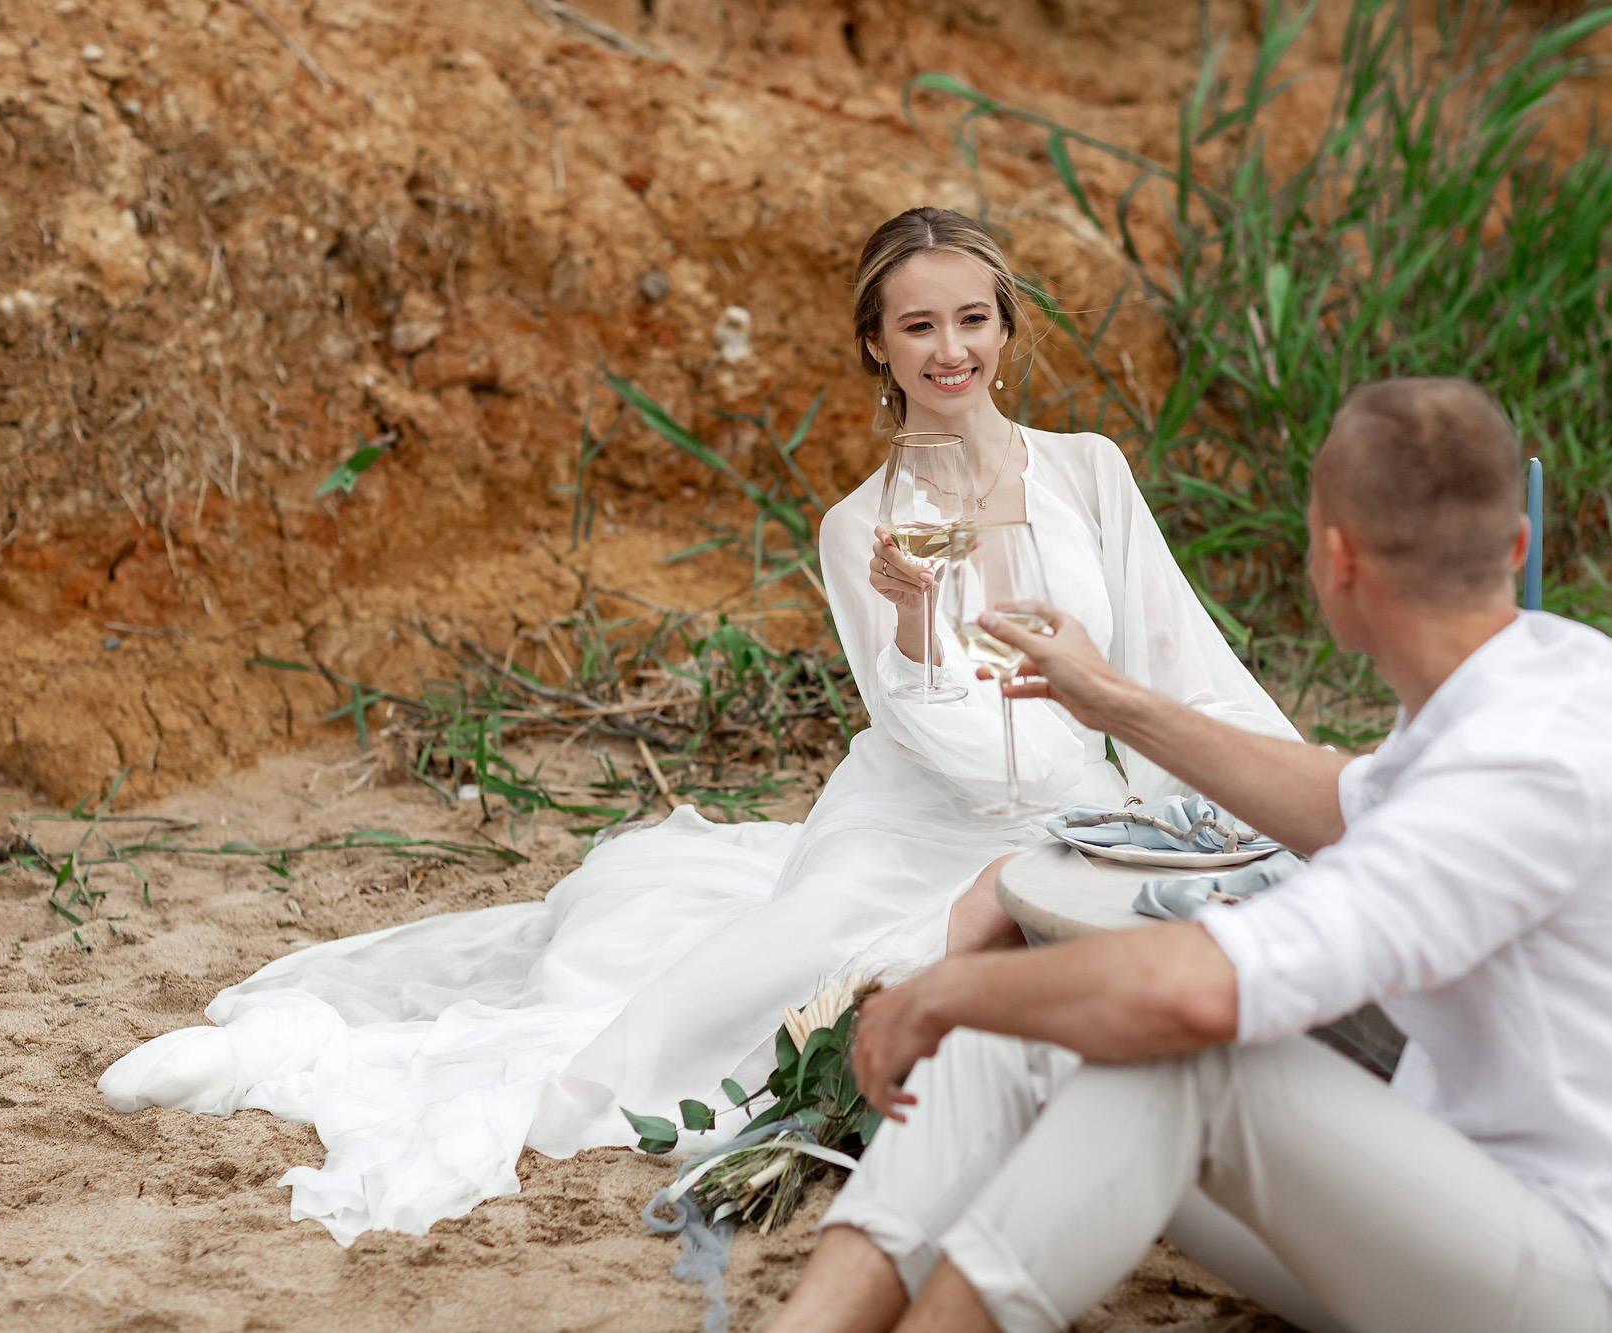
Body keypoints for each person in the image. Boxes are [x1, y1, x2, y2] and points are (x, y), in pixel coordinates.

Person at [94, 207, 1300, 1246]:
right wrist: (918, 623)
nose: (951, 350)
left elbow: (1175, 657)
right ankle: (301, 1059)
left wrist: (1269, 794)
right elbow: (929, 730)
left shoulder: (1085, 471)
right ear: (875, 346)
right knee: (722, 1031)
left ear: (1006, 328)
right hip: (920, 822)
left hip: (1080, 809)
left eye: (972, 319)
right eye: (919, 326)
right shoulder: (860, 526)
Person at [771, 377, 1612, 1333]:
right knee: (1011, 1039)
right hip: (1461, 1210)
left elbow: (1198, 993)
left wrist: (944, 990)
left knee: (1179, 1062)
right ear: (1514, 545)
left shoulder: (1520, 768)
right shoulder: (1560, 671)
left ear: (1334, 560)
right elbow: (1343, 801)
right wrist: (1113, 700)